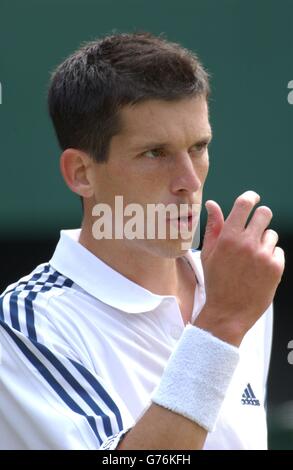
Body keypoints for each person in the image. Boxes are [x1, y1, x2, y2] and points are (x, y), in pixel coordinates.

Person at [0, 32, 284, 450]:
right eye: (155, 153)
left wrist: (224, 316)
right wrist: (221, 324)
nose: (189, 181)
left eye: (199, 147)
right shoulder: (21, 326)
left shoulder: (236, 290)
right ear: (81, 172)